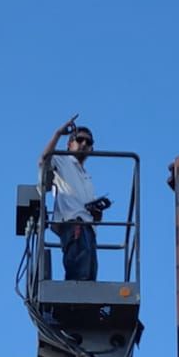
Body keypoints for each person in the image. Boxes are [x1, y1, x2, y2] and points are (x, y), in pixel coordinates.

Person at [39, 118, 110, 281]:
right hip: (73, 223)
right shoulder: (62, 160)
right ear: (69, 144)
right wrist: (57, 134)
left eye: (88, 142)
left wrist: (97, 213)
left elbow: (95, 216)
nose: (84, 143)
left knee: (91, 275)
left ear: (92, 149)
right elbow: (43, 161)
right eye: (79, 139)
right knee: (79, 274)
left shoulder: (87, 177)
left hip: (89, 229)